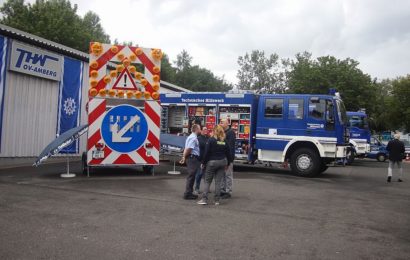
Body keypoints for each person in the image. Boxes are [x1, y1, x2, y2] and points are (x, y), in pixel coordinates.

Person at [197, 125, 233, 205]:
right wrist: (228, 163)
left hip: (212, 162)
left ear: (214, 131)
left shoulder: (211, 140)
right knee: (218, 182)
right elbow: (228, 153)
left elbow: (206, 153)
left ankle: (204, 199)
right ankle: (216, 200)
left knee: (207, 181)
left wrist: (203, 163)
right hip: (222, 162)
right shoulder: (225, 141)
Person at [180, 124, 201, 199]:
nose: (200, 130)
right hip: (192, 158)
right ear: (196, 129)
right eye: (200, 129)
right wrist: (185, 156)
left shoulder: (191, 137)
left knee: (191, 175)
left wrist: (184, 157)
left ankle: (189, 192)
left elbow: (186, 148)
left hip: (191, 158)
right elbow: (189, 149)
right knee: (191, 176)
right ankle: (188, 193)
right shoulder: (193, 138)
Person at [220, 119, 236, 198]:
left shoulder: (231, 133)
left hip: (228, 158)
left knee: (228, 175)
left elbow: (229, 147)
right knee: (223, 174)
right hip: (222, 157)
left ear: (227, 124)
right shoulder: (223, 132)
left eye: (222, 122)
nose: (220, 123)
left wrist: (229, 160)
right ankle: (223, 190)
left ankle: (228, 191)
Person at [194, 126, 209, 194]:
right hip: (200, 160)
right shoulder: (199, 138)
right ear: (201, 131)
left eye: (206, 129)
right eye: (204, 129)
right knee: (199, 175)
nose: (206, 130)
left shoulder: (208, 138)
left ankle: (206, 189)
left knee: (207, 175)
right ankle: (197, 189)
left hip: (207, 160)